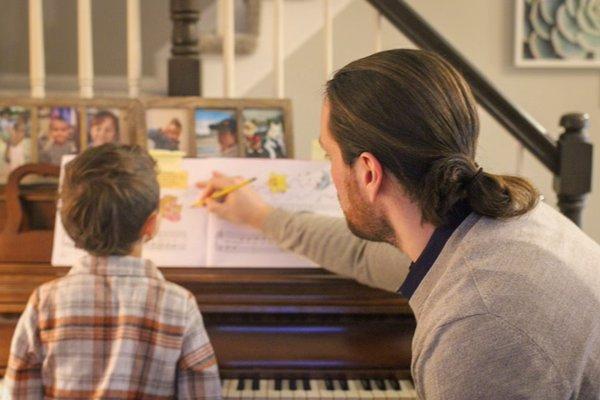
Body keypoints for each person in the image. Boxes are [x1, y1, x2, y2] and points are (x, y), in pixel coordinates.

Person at [199, 49, 600, 399]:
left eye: (330, 157)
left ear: (369, 172)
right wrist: (259, 215)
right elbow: (362, 254)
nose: (331, 173)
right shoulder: (502, 217)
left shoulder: (476, 329)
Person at [4, 144, 221, 399]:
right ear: (150, 226)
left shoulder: (45, 302)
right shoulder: (179, 304)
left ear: (67, 226)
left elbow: (19, 393)